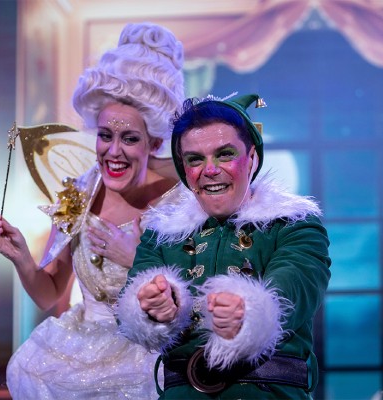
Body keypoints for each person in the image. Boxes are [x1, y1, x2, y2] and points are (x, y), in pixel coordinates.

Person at [0, 22, 185, 399]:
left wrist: (137, 259)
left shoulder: (181, 204)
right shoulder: (78, 193)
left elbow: (196, 301)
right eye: (105, 135)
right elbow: (48, 294)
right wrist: (23, 259)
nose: (113, 151)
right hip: (77, 352)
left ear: (154, 142)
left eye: (129, 138)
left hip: (150, 358)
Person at [116, 93, 332, 399]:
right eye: (195, 159)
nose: (210, 170)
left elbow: (293, 289)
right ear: (184, 169)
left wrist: (248, 313)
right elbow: (133, 302)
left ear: (252, 158)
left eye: (225, 154)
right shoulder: (160, 235)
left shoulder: (294, 225)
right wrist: (153, 308)